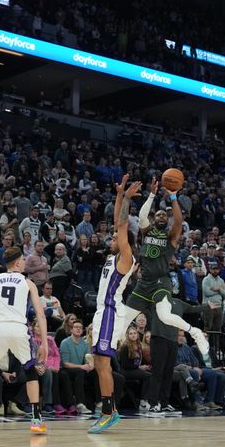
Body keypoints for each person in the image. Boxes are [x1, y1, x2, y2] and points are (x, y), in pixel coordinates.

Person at [0, 246, 48, 437]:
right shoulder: (28, 282)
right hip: (19, 329)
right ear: (18, 262)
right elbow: (40, 314)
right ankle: (36, 419)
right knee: (30, 371)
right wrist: (44, 342)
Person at [123, 177, 208, 355]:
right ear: (155, 219)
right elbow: (141, 216)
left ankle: (195, 332)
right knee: (123, 321)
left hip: (161, 281)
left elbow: (178, 220)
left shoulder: (171, 237)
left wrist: (174, 197)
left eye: (164, 215)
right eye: (159, 214)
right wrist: (152, 194)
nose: (162, 216)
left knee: (164, 316)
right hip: (143, 283)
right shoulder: (146, 232)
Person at [88, 175, 140, 433]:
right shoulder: (114, 255)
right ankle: (111, 410)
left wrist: (127, 198)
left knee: (103, 362)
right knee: (99, 362)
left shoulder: (126, 257)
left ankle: (108, 411)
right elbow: (117, 222)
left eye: (115, 237)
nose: (110, 237)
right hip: (103, 312)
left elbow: (121, 223)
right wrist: (120, 194)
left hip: (111, 311)